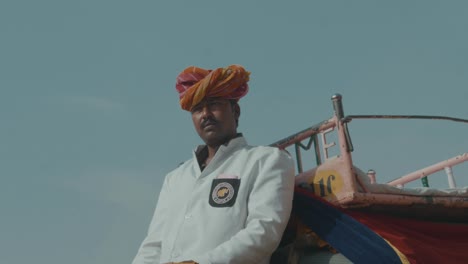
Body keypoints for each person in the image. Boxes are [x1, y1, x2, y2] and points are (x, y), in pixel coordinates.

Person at [132, 64, 295, 264]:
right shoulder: (175, 178)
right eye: (197, 109)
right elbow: (154, 245)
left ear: (236, 111)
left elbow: (263, 232)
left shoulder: (267, 160)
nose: (205, 114)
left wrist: (200, 263)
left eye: (214, 104)